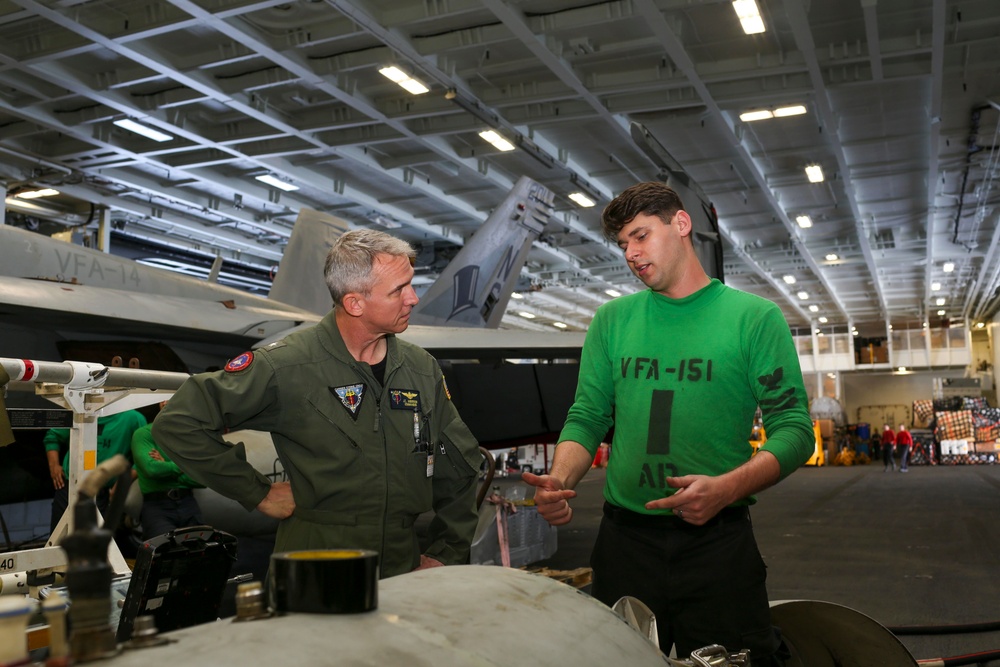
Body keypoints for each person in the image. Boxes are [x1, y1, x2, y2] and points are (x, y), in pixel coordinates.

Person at [522, 182, 815, 664]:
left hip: (717, 546)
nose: (632, 254)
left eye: (641, 236)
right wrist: (559, 479)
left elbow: (795, 429)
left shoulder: (753, 319)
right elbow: (588, 415)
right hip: (624, 546)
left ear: (681, 225)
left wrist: (726, 488)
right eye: (623, 245)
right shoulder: (612, 321)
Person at [152, 229, 481, 578]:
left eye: (410, 284)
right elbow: (178, 423)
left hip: (403, 564)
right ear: (355, 303)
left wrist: (446, 551)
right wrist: (259, 492)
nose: (413, 298)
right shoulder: (287, 365)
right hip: (316, 565)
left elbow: (459, 462)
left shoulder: (420, 369)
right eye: (399, 289)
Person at [44, 409, 148, 535]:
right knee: (59, 541)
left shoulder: (133, 419)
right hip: (68, 488)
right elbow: (53, 436)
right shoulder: (80, 412)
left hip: (102, 494)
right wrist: (53, 465)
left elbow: (143, 458)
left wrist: (123, 481)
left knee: (99, 545)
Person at [131, 403, 205, 540]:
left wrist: (165, 465)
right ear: (161, 403)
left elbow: (202, 479)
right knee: (165, 553)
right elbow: (151, 470)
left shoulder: (190, 436)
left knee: (197, 555)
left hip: (188, 503)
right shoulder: (144, 434)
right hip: (157, 506)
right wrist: (185, 465)